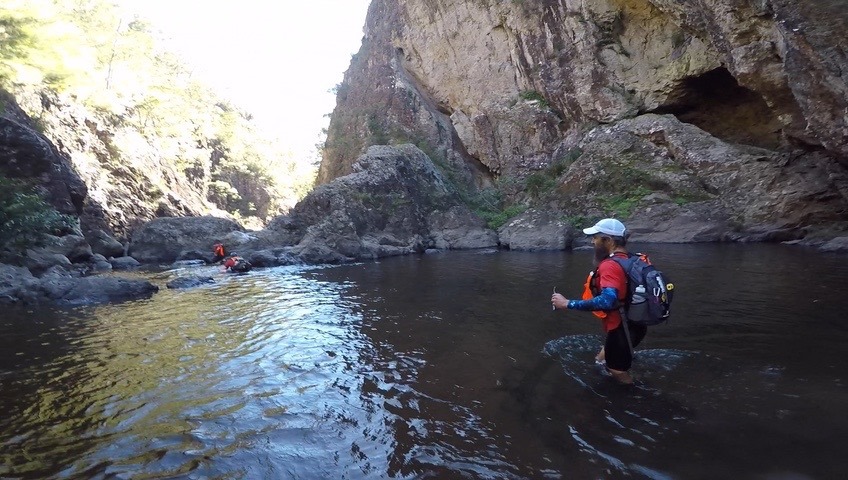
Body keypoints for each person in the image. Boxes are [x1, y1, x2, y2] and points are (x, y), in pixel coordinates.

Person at [551, 218, 647, 385]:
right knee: (600, 360)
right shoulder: (634, 259)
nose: (592, 241)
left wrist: (567, 303)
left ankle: (636, 393)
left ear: (608, 240)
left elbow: (607, 301)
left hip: (622, 328)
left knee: (616, 370)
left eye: (595, 237)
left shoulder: (610, 266)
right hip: (636, 323)